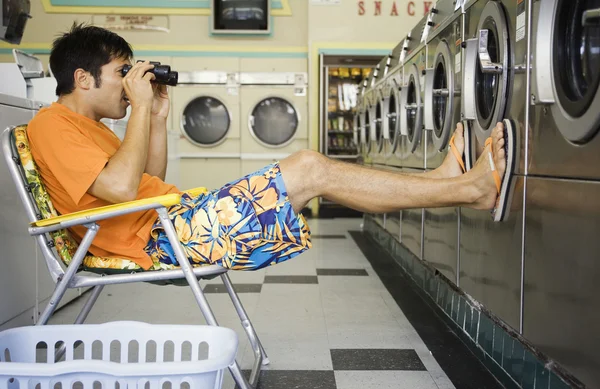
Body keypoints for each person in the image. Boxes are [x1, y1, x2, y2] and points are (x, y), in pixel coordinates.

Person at [27, 24, 508, 272]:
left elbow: (146, 178)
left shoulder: (92, 127)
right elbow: (119, 186)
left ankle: (446, 181)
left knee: (310, 169)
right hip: (161, 241)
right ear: (83, 79)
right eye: (121, 73)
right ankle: (469, 190)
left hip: (175, 219)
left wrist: (152, 118)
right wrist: (138, 108)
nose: (130, 81)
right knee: (310, 169)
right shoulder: (53, 125)